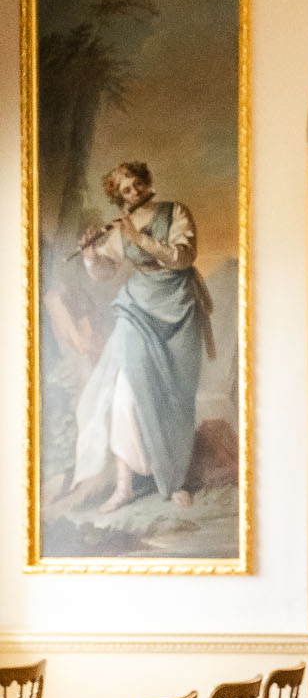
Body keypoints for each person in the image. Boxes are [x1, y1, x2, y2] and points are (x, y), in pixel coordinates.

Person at [67, 161, 214, 512]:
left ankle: (173, 481)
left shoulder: (175, 212)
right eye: (125, 190)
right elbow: (105, 272)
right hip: (137, 308)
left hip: (179, 309)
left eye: (136, 185)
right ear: (118, 196)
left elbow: (183, 256)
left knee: (176, 399)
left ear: (146, 183)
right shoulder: (120, 227)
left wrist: (139, 238)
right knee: (124, 394)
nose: (133, 193)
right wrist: (91, 257)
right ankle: (124, 486)